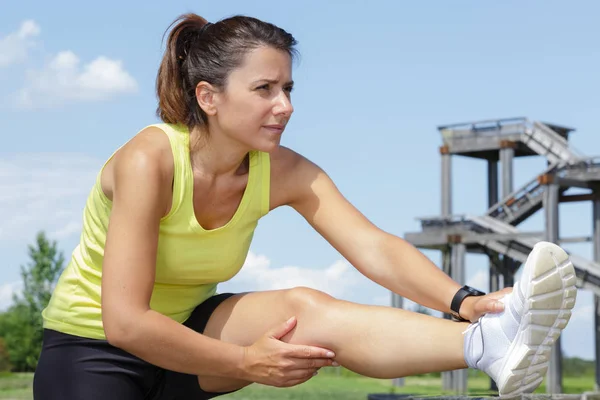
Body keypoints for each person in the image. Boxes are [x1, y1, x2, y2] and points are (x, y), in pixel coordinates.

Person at [32, 12, 577, 400]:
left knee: (305, 309)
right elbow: (125, 323)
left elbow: (373, 247)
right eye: (265, 88)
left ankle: (488, 343)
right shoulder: (149, 160)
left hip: (192, 333)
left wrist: (465, 301)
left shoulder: (284, 169)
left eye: (289, 87)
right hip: (92, 347)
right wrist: (247, 362)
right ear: (208, 97)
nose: (285, 106)